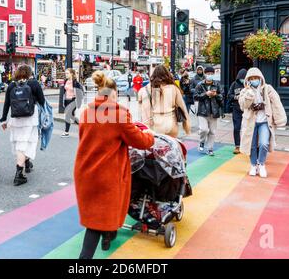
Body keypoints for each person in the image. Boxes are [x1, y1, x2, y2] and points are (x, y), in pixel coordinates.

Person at [75, 71, 154, 259]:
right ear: (113, 94)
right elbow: (140, 141)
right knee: (97, 222)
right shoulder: (118, 114)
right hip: (107, 175)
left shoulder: (87, 112)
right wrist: (150, 134)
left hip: (85, 171)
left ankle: (107, 238)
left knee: (98, 216)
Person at [0, 65, 46, 186]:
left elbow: (7, 104)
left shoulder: (12, 85)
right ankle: (19, 173)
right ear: (29, 73)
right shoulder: (34, 84)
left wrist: (3, 119)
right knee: (29, 143)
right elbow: (42, 101)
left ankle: (26, 163)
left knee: (20, 143)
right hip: (31, 118)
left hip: (16, 119)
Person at [239, 67, 287, 178]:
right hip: (250, 122)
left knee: (264, 143)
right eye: (252, 78)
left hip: (265, 121)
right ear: (248, 80)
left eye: (256, 78)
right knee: (252, 145)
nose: (254, 80)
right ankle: (253, 165)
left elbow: (276, 103)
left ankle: (261, 164)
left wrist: (280, 119)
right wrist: (249, 96)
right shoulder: (245, 91)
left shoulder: (268, 89)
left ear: (261, 78)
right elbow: (243, 106)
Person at [139, 65, 191, 138]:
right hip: (171, 124)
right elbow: (183, 108)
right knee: (171, 147)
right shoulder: (174, 88)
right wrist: (187, 126)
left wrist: (146, 127)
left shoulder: (145, 90)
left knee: (156, 147)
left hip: (155, 125)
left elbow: (144, 111)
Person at [194, 66, 223, 156]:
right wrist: (205, 94)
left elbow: (222, 97)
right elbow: (195, 96)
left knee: (212, 132)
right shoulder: (200, 85)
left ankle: (210, 148)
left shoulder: (217, 84)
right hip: (202, 112)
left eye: (211, 73)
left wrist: (216, 95)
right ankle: (202, 141)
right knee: (203, 129)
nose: (209, 75)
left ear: (213, 74)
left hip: (214, 112)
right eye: (208, 73)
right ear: (205, 74)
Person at [227, 68, 247, 154]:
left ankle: (246, 146)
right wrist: (236, 97)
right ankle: (237, 146)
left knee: (247, 129)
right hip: (236, 109)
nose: (242, 80)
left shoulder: (249, 85)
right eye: (240, 78)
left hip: (247, 109)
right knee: (236, 128)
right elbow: (229, 95)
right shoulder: (234, 84)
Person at [61, 68, 84, 138]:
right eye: (65, 73)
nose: (66, 75)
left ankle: (66, 132)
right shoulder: (66, 81)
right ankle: (82, 126)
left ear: (71, 74)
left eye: (67, 73)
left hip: (73, 101)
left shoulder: (75, 83)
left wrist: (79, 102)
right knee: (72, 116)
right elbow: (65, 91)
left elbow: (80, 93)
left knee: (68, 115)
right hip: (67, 100)